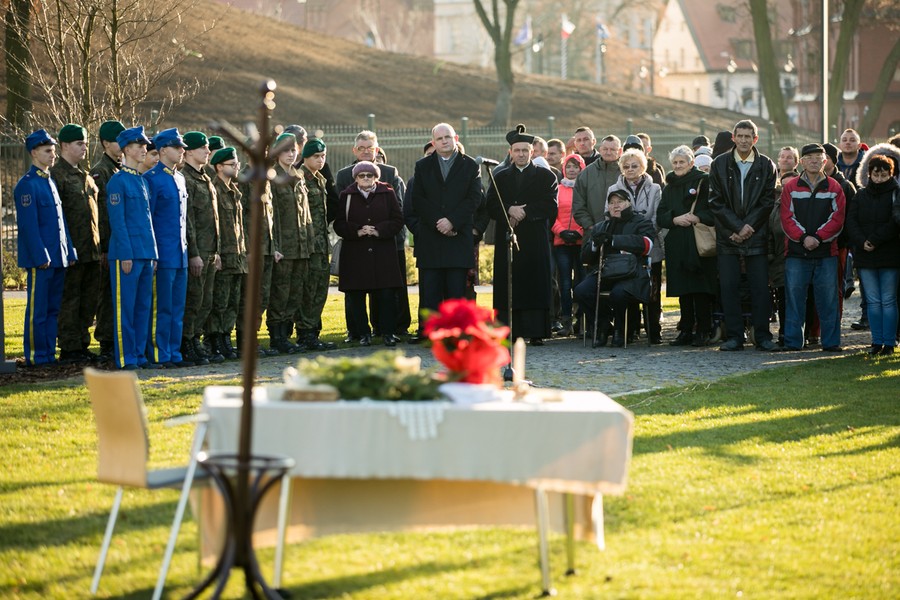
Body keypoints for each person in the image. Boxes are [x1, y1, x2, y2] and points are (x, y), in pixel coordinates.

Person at [708, 120, 778, 351]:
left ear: (755, 139)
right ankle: (735, 336)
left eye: (749, 136)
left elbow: (768, 201)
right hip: (728, 236)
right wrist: (737, 228)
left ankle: (763, 336)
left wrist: (748, 227)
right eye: (740, 136)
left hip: (756, 236)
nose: (744, 140)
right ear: (734, 138)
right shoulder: (719, 164)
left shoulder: (766, 165)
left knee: (760, 288)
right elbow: (715, 202)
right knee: (729, 287)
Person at [486, 124, 559, 345]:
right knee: (509, 282)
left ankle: (536, 331)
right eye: (517, 150)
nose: (521, 154)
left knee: (535, 282)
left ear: (532, 152)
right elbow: (490, 203)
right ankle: (508, 330)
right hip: (508, 236)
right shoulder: (500, 176)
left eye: (525, 150)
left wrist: (524, 212)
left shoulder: (546, 176)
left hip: (534, 237)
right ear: (510, 152)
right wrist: (509, 209)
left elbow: (550, 204)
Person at [409, 123, 483, 335]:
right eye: (439, 138)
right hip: (431, 239)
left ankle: (456, 333)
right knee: (430, 291)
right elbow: (418, 199)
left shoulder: (470, 166)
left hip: (457, 238)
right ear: (433, 142)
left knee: (456, 291)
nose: (444, 141)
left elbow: (474, 198)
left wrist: (452, 221)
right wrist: (438, 222)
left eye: (447, 137)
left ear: (456, 138)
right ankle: (430, 332)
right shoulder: (422, 166)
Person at [335, 130, 410, 340]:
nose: (366, 151)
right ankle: (357, 332)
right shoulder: (344, 176)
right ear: (355, 150)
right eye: (362, 148)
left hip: (385, 243)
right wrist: (358, 230)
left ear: (377, 149)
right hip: (356, 246)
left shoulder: (390, 174)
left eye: (370, 148)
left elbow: (399, 211)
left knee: (386, 291)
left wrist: (380, 230)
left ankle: (385, 330)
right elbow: (339, 213)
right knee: (355, 293)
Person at [15, 129, 77, 367]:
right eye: (47, 151)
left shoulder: (49, 181)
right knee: (38, 311)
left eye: (53, 151)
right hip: (41, 259)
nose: (53, 155)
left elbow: (61, 222)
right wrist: (41, 255)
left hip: (58, 257)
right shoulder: (27, 185)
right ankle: (36, 355)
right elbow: (29, 227)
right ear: (34, 153)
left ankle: (49, 354)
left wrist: (68, 251)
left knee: (53, 310)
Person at [779, 143, 846, 352]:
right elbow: (786, 218)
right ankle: (792, 342)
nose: (815, 161)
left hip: (826, 253)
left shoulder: (835, 187)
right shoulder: (790, 188)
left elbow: (837, 219)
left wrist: (817, 237)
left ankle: (831, 343)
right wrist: (804, 238)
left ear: (825, 161)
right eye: (810, 158)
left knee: (828, 300)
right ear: (802, 162)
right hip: (797, 254)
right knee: (795, 300)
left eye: (819, 157)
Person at [574, 187, 654, 348]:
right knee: (582, 291)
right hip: (604, 272)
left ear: (629, 203)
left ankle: (620, 329)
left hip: (632, 272)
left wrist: (613, 240)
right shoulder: (601, 226)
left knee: (619, 293)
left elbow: (647, 245)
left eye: (620, 202)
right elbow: (585, 258)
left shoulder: (642, 222)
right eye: (611, 203)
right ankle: (603, 325)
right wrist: (595, 245)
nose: (615, 206)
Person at [106, 126, 157, 370]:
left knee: (142, 307)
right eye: (139, 146)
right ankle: (126, 357)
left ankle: (139, 354)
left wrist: (153, 253)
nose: (144, 149)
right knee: (125, 309)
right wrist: (126, 253)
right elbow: (118, 222)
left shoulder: (142, 181)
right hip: (127, 254)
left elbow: (147, 220)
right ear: (127, 149)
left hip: (145, 253)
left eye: (144, 146)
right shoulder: (118, 182)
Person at [657, 145, 718, 346]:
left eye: (682, 162)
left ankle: (703, 329)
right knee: (683, 289)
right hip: (677, 242)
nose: (678, 166)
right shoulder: (669, 186)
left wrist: (697, 216)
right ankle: (685, 330)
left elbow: (714, 209)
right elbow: (661, 215)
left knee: (700, 288)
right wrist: (675, 219)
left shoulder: (703, 180)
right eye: (675, 162)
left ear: (691, 163)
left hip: (697, 241)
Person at [52, 124, 100, 365]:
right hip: (71, 251)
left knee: (88, 300)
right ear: (64, 146)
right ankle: (69, 347)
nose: (84, 147)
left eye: (85, 142)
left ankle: (82, 343)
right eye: (79, 143)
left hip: (90, 250)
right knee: (70, 299)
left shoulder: (85, 175)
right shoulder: (56, 176)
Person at [144, 128, 192, 367]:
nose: (182, 151)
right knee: (161, 307)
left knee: (176, 307)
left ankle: (174, 352)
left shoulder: (179, 178)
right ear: (163, 150)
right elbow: (148, 219)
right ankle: (159, 353)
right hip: (162, 254)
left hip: (179, 253)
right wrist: (153, 253)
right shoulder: (151, 179)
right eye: (178, 147)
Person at [848, 153, 900, 354]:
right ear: (869, 174)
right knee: (872, 300)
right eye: (875, 175)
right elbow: (851, 221)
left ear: (890, 175)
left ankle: (889, 341)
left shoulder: (895, 194)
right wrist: (862, 241)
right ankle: (876, 341)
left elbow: (894, 224)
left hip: (889, 254)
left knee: (888, 299)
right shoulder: (860, 195)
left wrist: (874, 240)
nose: (879, 179)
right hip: (865, 255)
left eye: (883, 175)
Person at [181, 131, 223, 363]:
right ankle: (186, 342)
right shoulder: (185, 178)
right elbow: (189, 221)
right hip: (197, 252)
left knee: (206, 301)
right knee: (193, 299)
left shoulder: (205, 178)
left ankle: (195, 340)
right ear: (188, 151)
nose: (208, 151)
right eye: (202, 148)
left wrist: (216, 252)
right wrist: (194, 253)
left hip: (210, 251)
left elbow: (213, 219)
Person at [616, 147, 664, 343]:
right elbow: (611, 214)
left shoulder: (655, 189)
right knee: (628, 286)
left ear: (643, 167)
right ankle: (631, 329)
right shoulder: (614, 190)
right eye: (626, 166)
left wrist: (642, 232)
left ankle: (654, 331)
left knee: (652, 289)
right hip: (626, 248)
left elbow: (657, 217)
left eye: (634, 166)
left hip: (650, 244)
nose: (630, 169)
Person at [268, 132, 308, 353]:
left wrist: (308, 242)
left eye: (293, 150)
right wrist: (275, 245)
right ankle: (276, 336)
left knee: (294, 292)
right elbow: (271, 216)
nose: (291, 154)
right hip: (283, 246)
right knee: (280, 293)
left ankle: (286, 334)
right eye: (286, 150)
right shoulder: (272, 177)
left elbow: (306, 215)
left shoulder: (298, 175)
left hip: (300, 246)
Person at [90, 119, 126, 364]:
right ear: (105, 143)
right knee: (106, 295)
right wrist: (103, 247)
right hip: (108, 244)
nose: (121, 146)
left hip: (121, 244)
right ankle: (106, 341)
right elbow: (101, 213)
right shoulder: (101, 171)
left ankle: (115, 338)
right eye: (117, 141)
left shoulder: (120, 169)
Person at [208, 146, 246, 360]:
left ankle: (225, 338)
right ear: (219, 167)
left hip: (237, 255)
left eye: (237, 164)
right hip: (223, 254)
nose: (236, 167)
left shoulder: (234, 190)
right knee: (219, 302)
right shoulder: (215, 188)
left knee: (232, 301)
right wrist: (217, 253)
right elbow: (214, 225)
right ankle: (214, 340)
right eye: (232, 165)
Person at [298, 138, 337, 351]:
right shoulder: (299, 178)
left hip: (322, 243)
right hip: (307, 244)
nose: (321, 160)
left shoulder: (320, 179)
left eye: (323, 156)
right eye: (316, 156)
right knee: (308, 290)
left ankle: (312, 332)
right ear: (305, 157)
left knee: (320, 289)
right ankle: (305, 333)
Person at [551, 153, 586, 337]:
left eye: (576, 167)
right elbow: (552, 214)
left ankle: (581, 321)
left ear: (582, 169)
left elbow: (587, 211)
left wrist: (579, 232)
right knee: (564, 282)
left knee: (580, 282)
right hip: (561, 242)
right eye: (569, 167)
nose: (572, 170)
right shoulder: (557, 189)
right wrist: (561, 231)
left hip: (580, 241)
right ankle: (566, 321)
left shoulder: (584, 189)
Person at [572, 134, 623, 231]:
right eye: (605, 149)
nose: (608, 152)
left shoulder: (626, 172)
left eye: (612, 149)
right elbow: (578, 204)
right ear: (600, 149)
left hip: (622, 232)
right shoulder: (586, 173)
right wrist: (590, 226)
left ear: (620, 151)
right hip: (592, 232)